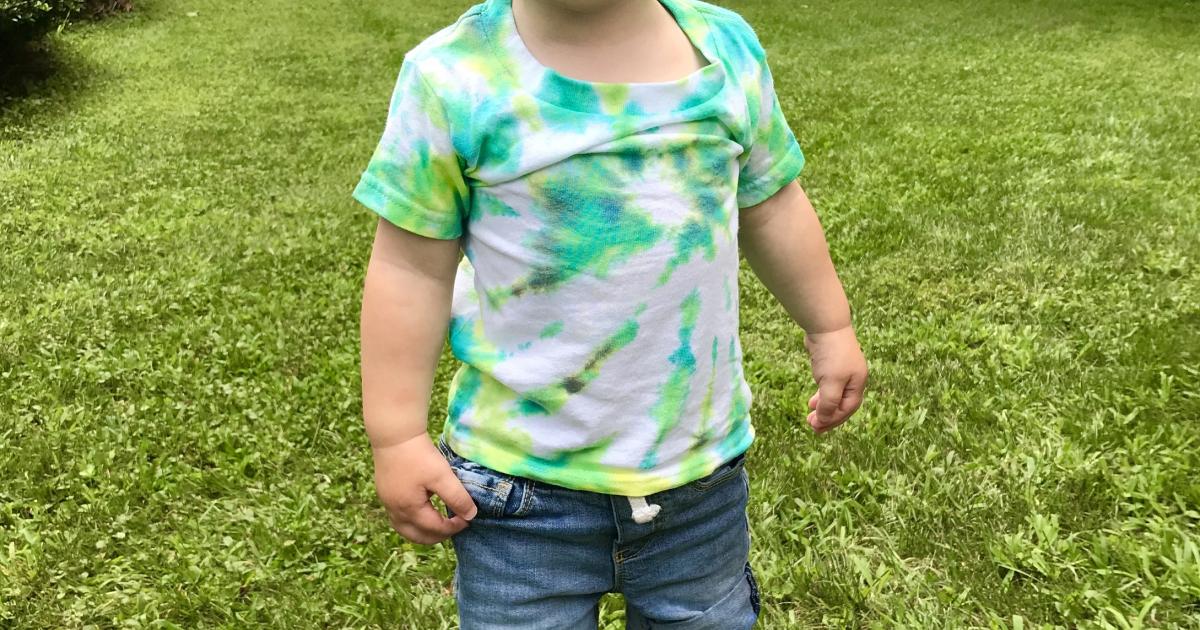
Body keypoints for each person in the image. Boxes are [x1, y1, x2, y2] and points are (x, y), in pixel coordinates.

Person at [354, 0, 868, 626]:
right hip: (517, 492)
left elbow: (772, 203)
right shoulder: (453, 77)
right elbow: (410, 268)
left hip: (700, 484)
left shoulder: (724, 49)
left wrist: (830, 325)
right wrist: (397, 435)